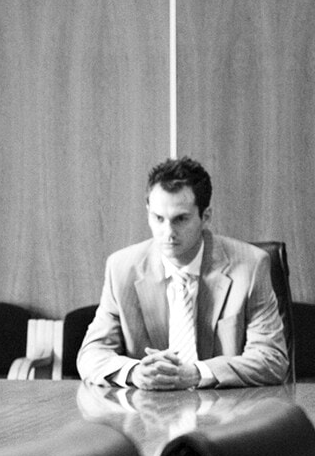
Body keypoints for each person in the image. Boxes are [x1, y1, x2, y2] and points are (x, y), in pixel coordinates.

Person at [76, 157, 289, 389]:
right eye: (158, 219)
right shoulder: (121, 268)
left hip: (225, 415)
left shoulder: (250, 266)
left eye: (181, 219)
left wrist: (198, 373)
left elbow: (271, 359)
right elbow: (91, 354)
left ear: (205, 216)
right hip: (146, 414)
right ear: (148, 211)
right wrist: (134, 372)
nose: (168, 233)